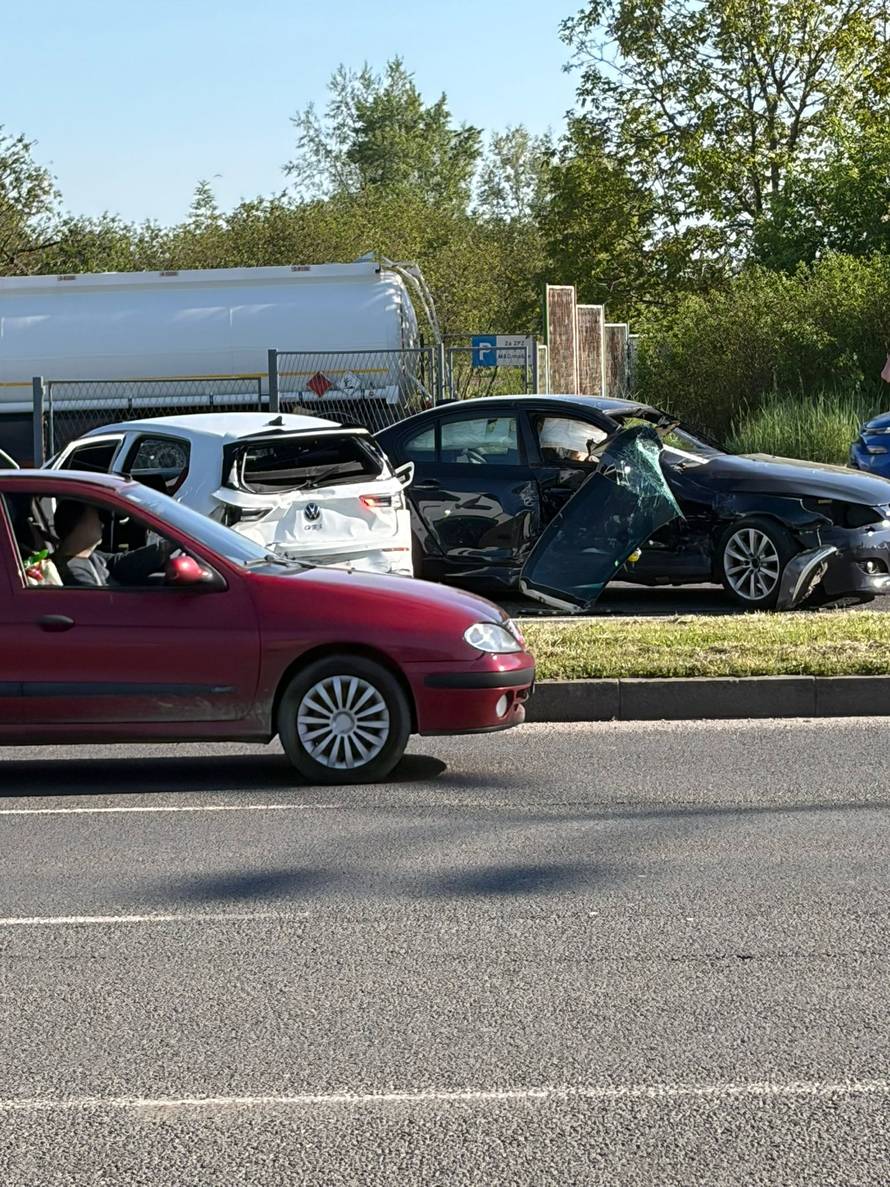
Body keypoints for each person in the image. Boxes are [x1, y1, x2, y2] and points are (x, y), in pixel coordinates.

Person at [51, 500, 173, 588]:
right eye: (96, 518)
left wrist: (169, 545)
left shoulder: (91, 557)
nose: (102, 524)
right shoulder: (73, 572)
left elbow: (126, 562)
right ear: (77, 526)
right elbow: (102, 605)